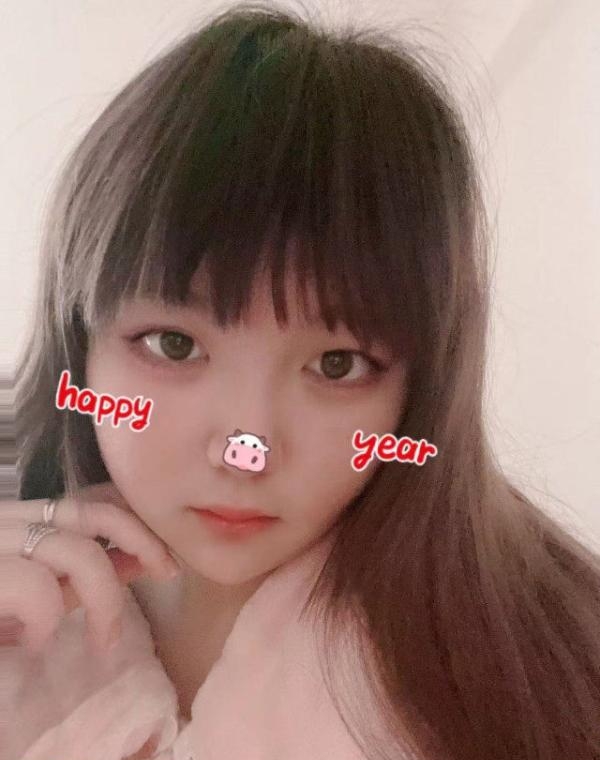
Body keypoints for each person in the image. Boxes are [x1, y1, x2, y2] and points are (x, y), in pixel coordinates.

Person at [2, 2, 599, 759]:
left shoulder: (551, 671)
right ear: (79, 345)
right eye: (174, 345)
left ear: (421, 391)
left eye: (337, 365)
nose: (245, 448)